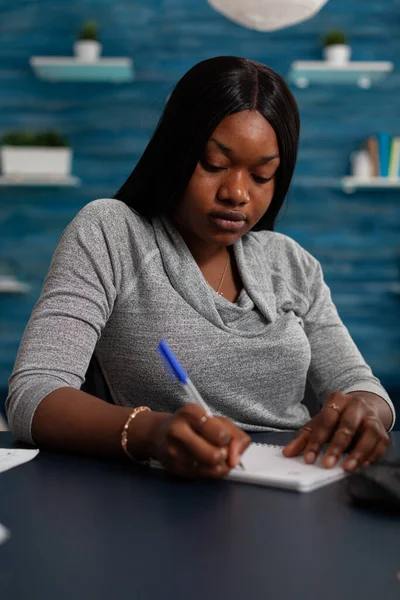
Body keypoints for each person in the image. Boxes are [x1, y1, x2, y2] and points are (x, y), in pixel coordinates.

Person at [6, 56, 395, 479]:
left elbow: (360, 383)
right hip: (163, 492)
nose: (237, 193)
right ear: (176, 151)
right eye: (214, 165)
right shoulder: (112, 232)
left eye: (262, 176)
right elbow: (34, 392)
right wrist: (151, 432)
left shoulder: (291, 262)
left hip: (298, 484)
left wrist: (366, 411)